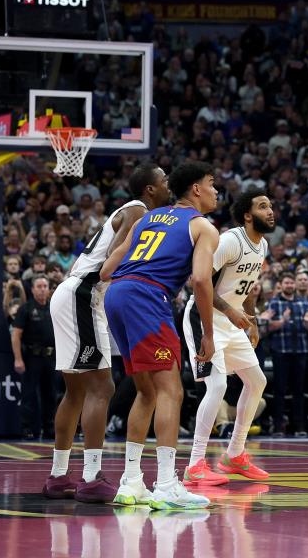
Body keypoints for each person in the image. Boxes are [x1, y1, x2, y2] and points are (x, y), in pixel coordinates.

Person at [43, 164, 168, 503]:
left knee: (77, 391)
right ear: (150, 189)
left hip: (75, 293)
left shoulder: (135, 212)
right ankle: (91, 477)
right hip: (84, 295)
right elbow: (116, 256)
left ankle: (58, 476)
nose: (168, 184)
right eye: (164, 180)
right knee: (102, 386)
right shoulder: (138, 210)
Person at [100, 161, 220, 509]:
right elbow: (201, 280)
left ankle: (131, 483)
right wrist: (208, 334)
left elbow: (107, 269)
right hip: (147, 298)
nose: (215, 191)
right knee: (171, 390)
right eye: (211, 183)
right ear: (196, 189)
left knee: (147, 391)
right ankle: (167, 485)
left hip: (117, 294)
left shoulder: (147, 218)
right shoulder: (202, 227)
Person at [181, 190, 273, 486]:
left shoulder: (262, 245)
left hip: (231, 323)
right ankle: (195, 464)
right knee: (217, 385)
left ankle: (234, 454)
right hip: (203, 317)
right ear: (247, 215)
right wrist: (230, 312)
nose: (270, 211)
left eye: (270, 206)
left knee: (257, 381)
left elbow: (247, 288)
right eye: (263, 206)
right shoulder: (230, 241)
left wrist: (252, 322)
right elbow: (199, 282)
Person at [263, 271, 308, 436]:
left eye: (291, 283)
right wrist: (283, 321)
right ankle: (278, 426)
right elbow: (267, 328)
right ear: (281, 285)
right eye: (286, 283)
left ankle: (299, 426)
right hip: (280, 351)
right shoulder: (273, 303)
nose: (289, 285)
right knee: (279, 390)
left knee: (299, 390)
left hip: (300, 350)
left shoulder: (304, 303)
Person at [12, 276, 56, 441]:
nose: (43, 289)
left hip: (52, 357)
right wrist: (18, 359)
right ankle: (27, 428)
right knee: (29, 394)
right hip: (32, 357)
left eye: (45, 286)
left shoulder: (54, 307)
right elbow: (16, 335)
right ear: (32, 289)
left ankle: (49, 428)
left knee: (51, 394)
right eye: (39, 286)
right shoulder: (26, 308)